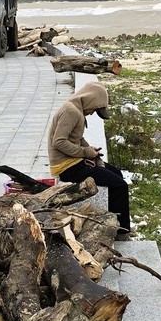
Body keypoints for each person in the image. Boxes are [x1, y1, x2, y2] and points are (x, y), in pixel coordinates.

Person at [47, 79, 132, 238]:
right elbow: (59, 142)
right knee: (120, 185)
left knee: (116, 174)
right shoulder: (71, 112)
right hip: (67, 168)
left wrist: (90, 149)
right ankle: (122, 231)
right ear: (90, 100)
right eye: (94, 109)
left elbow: (77, 138)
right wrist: (86, 153)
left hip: (74, 162)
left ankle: (115, 222)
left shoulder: (76, 109)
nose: (93, 113)